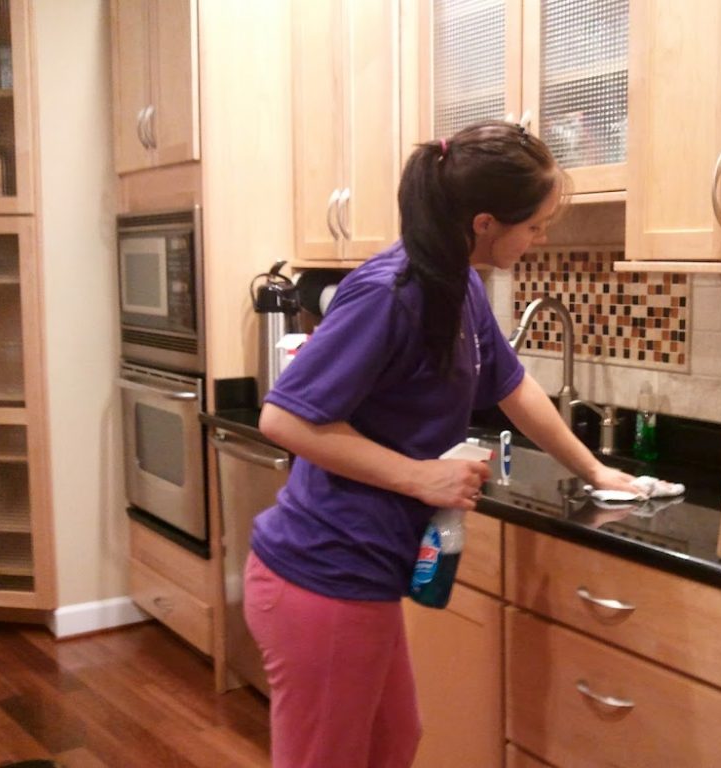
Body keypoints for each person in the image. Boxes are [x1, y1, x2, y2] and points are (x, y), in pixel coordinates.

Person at [244, 120, 640, 768]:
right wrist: (418, 477)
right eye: (536, 225)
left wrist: (596, 468)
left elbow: (514, 388)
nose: (542, 239)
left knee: (395, 741)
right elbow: (283, 420)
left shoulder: (455, 285)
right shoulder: (389, 293)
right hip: (322, 574)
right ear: (486, 222)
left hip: (361, 574)